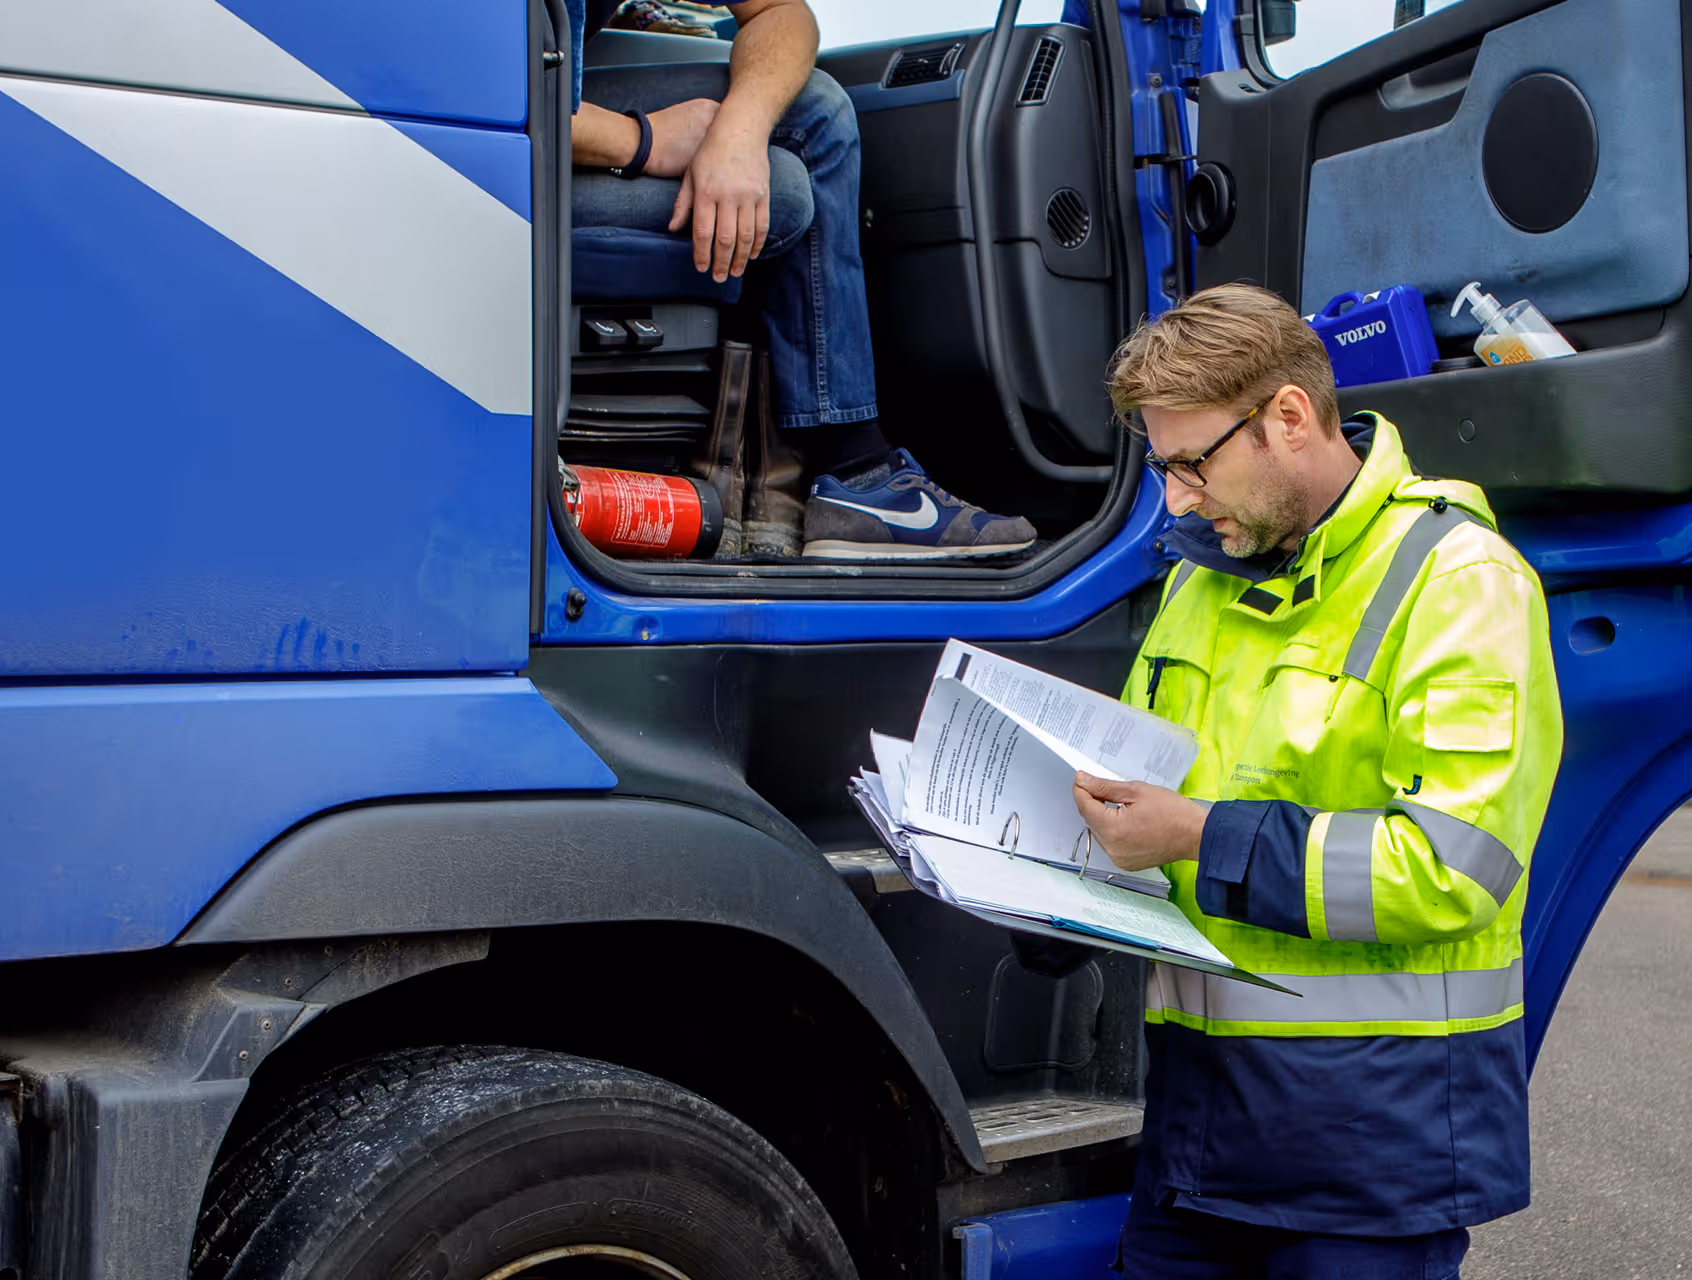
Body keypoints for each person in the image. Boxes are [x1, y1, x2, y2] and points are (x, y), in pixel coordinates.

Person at [1076, 284, 1563, 1276]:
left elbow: (1447, 867)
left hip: (1367, 1158)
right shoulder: (1198, 580)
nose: (1177, 500)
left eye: (1191, 464)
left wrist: (1193, 835)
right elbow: (1149, 799)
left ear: (1288, 417)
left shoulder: (1459, 579)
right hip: (1195, 1138)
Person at [565, 0, 1037, 559]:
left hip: (556, 100)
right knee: (784, 188)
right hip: (488, 162)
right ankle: (845, 466)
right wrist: (640, 140)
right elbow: (459, 87)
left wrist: (738, 135)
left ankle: (853, 481)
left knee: (814, 110)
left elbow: (779, 11)